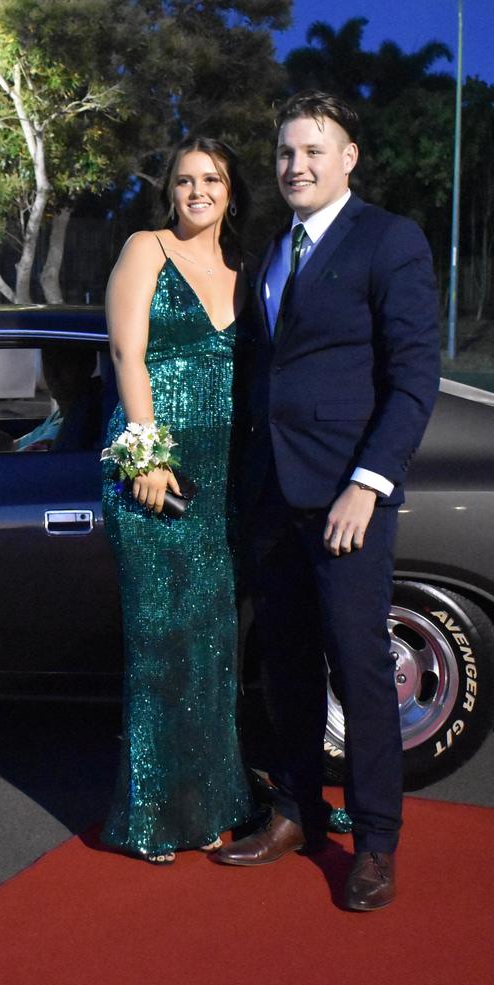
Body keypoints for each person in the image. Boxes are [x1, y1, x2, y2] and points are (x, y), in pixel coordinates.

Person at [211, 91, 440, 910]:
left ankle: (376, 841)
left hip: (347, 502)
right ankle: (298, 811)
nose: (294, 165)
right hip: (273, 495)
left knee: (362, 671)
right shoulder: (274, 249)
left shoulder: (390, 239)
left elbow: (414, 379)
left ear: (348, 158)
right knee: (286, 670)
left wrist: (367, 486)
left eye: (313, 150)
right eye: (283, 152)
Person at [101, 137, 255, 863]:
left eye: (212, 180)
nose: (198, 191)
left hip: (222, 477)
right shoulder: (146, 248)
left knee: (214, 647)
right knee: (162, 643)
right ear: (171, 190)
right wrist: (147, 454)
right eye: (186, 180)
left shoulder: (244, 268)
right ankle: (154, 818)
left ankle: (216, 804)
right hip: (154, 472)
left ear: (230, 191)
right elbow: (128, 353)